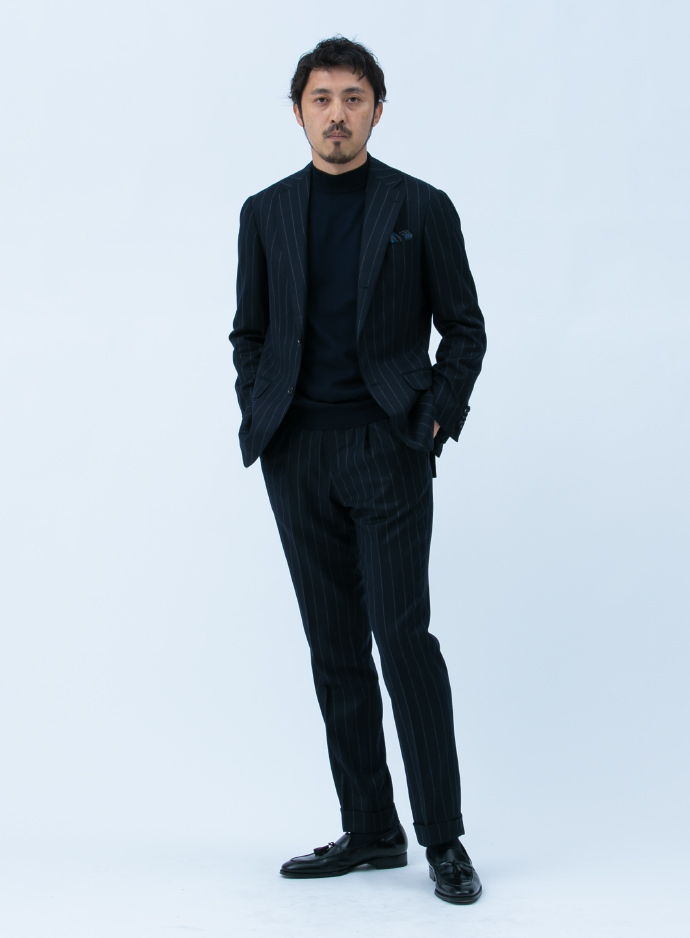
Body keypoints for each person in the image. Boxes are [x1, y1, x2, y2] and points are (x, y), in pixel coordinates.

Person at [230, 36, 487, 905]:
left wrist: (434, 417)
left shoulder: (421, 206)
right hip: (296, 453)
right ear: (297, 112)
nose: (336, 114)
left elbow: (465, 328)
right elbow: (250, 333)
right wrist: (259, 407)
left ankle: (442, 838)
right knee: (334, 647)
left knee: (403, 641)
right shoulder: (264, 213)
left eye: (352, 98)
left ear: (377, 108)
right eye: (321, 99)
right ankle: (372, 828)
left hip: (388, 448)